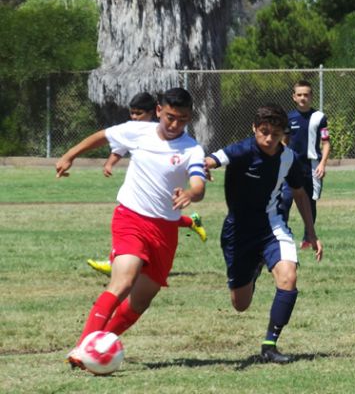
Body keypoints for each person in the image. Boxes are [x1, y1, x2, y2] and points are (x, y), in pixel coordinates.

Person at [55, 87, 206, 369]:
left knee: (140, 301)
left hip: (165, 231)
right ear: (159, 111)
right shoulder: (139, 131)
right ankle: (83, 347)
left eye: (183, 119)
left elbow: (198, 183)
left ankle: (100, 347)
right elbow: (103, 136)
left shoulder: (192, 149)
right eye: (171, 117)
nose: (175, 125)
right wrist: (70, 155)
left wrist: (191, 193)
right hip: (131, 218)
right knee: (123, 280)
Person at [204, 104, 323, 364]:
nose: (269, 139)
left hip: (272, 226)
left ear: (283, 134)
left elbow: (300, 193)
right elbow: (214, 159)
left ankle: (270, 344)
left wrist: (310, 232)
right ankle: (254, 268)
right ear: (255, 129)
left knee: (288, 277)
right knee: (240, 304)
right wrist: (204, 167)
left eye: (276, 133)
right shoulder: (243, 149)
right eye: (264, 132)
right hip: (237, 232)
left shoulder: (288, 158)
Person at [87, 92, 206, 277]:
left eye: (138, 114)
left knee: (161, 212)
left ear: (154, 112)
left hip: (166, 211)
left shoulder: (188, 146)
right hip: (136, 210)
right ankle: (116, 260)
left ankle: (191, 221)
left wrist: (193, 187)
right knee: (135, 221)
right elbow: (117, 145)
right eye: (132, 113)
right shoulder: (137, 132)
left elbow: (196, 175)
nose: (134, 117)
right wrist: (110, 163)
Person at [281, 80, 330, 249]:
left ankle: (308, 238)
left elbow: (326, 143)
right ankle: (283, 235)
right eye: (299, 94)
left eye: (306, 94)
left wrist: (322, 163)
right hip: (290, 166)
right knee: (284, 201)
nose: (303, 98)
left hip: (311, 167)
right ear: (294, 97)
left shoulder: (319, 118)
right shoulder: (288, 118)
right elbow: (284, 142)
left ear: (311, 96)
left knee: (309, 203)